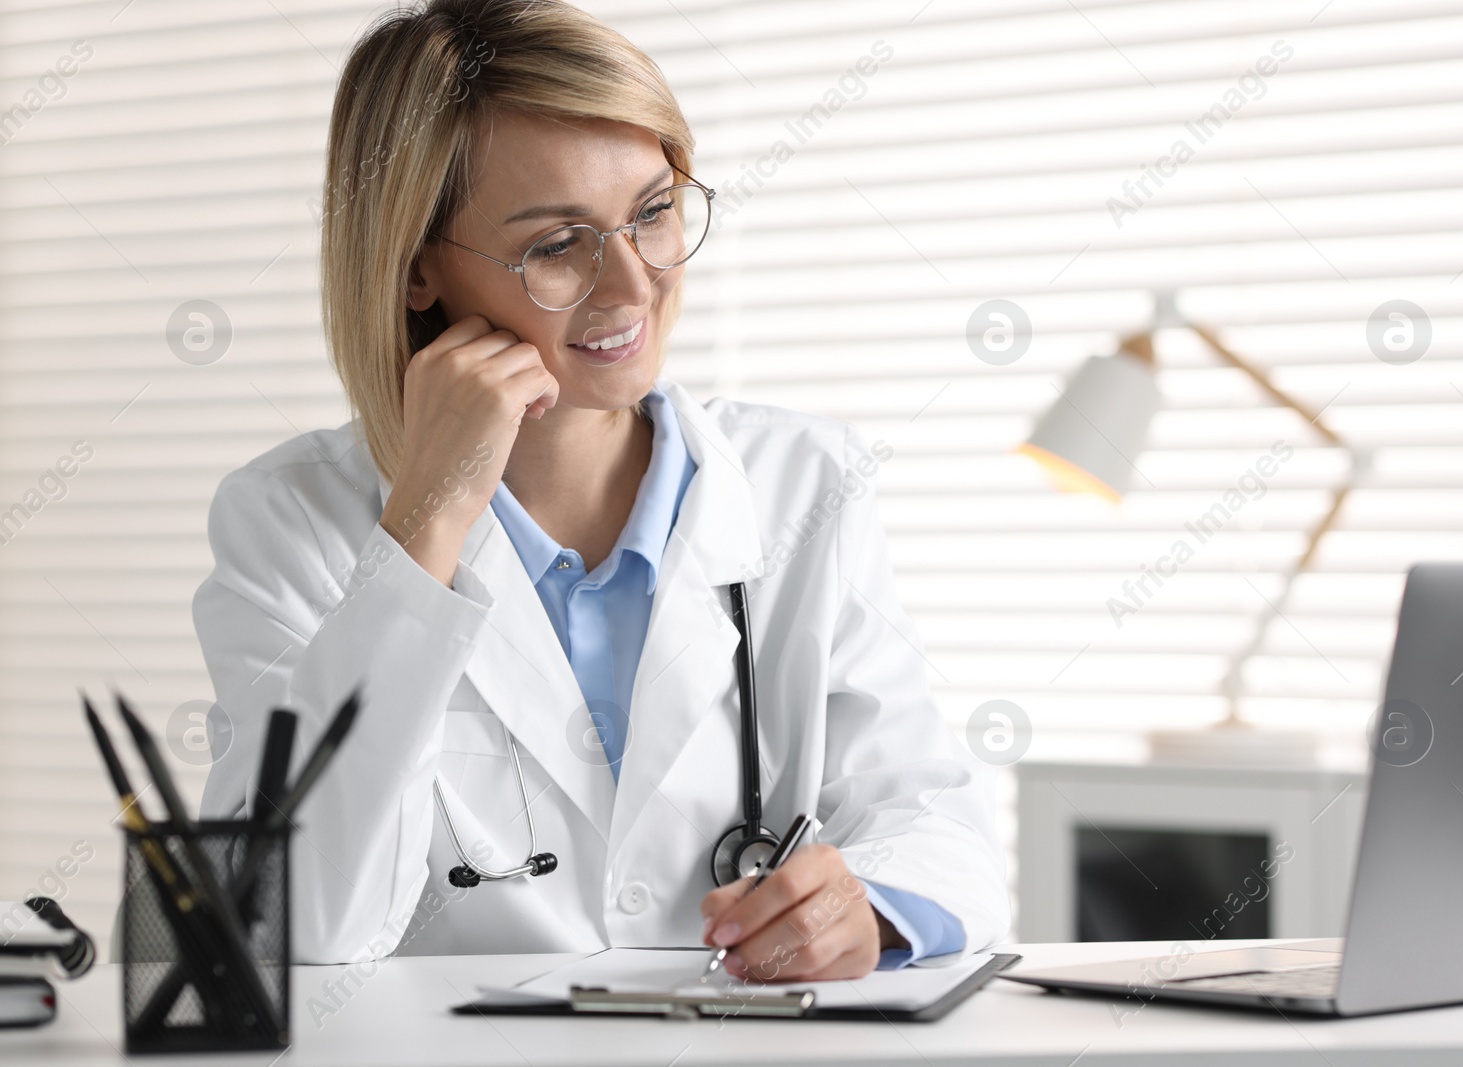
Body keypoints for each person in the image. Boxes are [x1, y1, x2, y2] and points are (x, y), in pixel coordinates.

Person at [195, 0, 1007, 979]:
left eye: (653, 212)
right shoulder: (291, 517)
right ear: (416, 270)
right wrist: (424, 521)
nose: (631, 284)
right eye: (557, 243)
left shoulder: (804, 483)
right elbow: (292, 922)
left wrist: (866, 909)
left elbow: (935, 823)